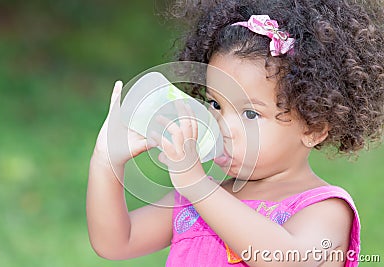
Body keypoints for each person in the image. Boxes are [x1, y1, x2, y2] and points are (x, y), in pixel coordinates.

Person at [86, 0, 384, 266]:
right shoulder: (194, 200)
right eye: (215, 104)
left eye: (250, 114)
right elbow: (115, 242)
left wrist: (198, 186)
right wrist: (105, 161)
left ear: (314, 127)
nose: (222, 126)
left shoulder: (325, 208)